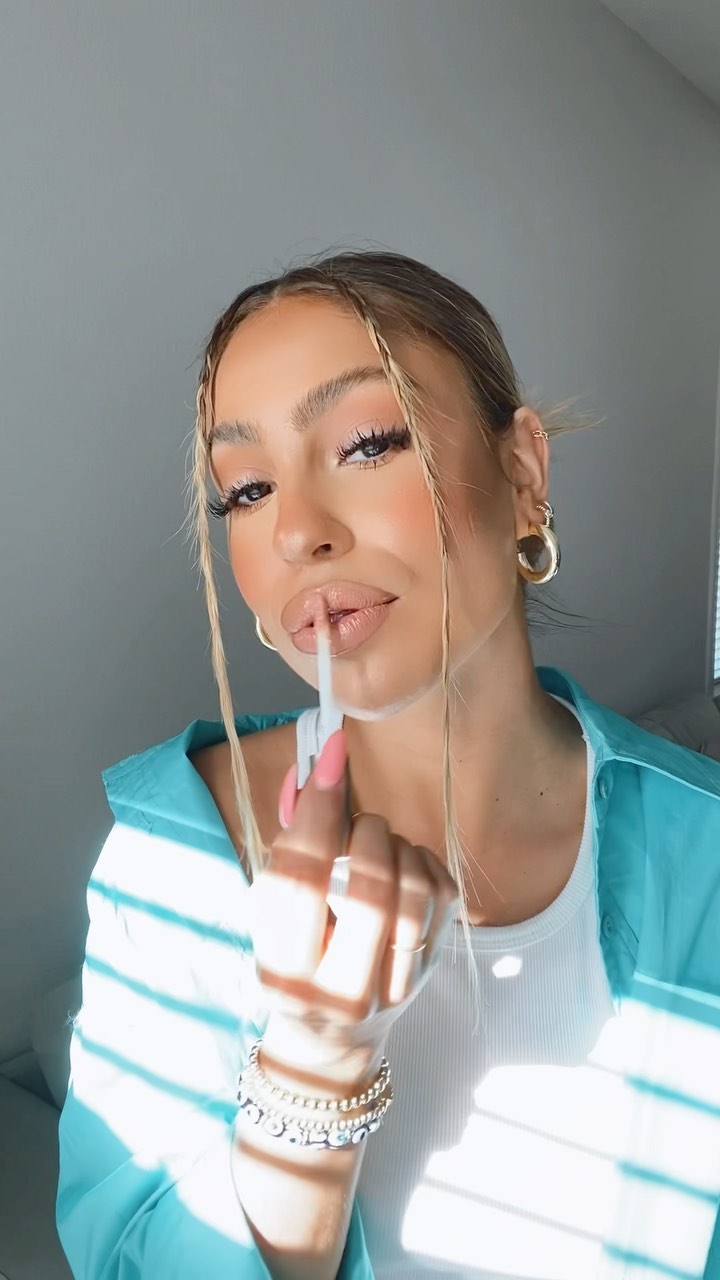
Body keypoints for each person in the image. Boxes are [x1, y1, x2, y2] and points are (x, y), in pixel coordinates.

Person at [56, 249, 720, 1280]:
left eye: (367, 442)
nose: (296, 531)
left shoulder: (704, 846)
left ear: (523, 474)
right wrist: (313, 1061)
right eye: (247, 489)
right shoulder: (170, 861)